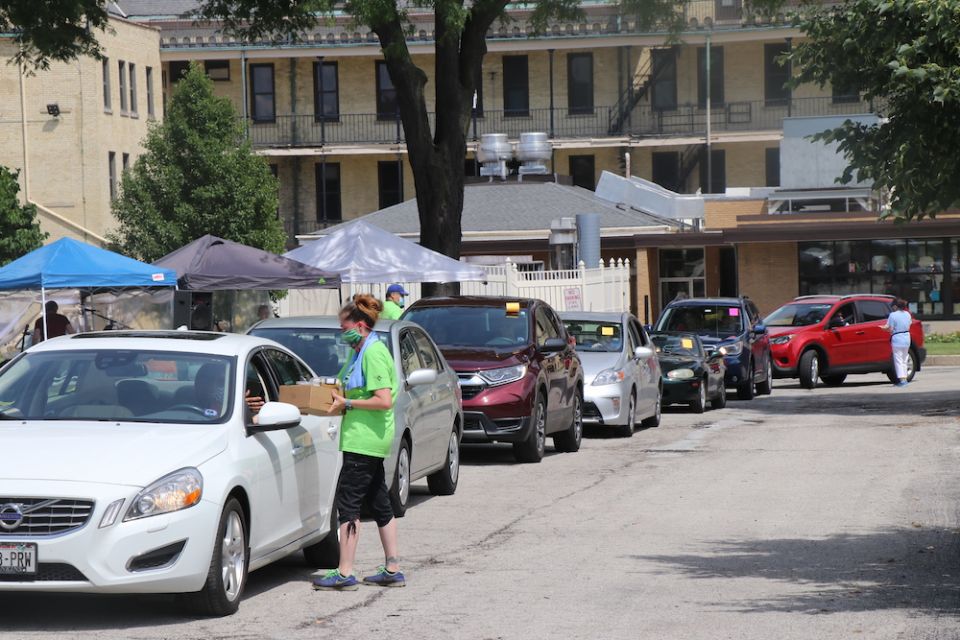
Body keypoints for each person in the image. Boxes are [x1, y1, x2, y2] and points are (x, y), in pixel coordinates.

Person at [313, 294, 403, 591]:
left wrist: (347, 403)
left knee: (348, 504)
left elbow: (383, 400)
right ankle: (392, 568)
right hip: (365, 439)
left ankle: (345, 572)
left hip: (364, 440)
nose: (342, 332)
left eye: (344, 327)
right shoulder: (360, 351)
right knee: (379, 501)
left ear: (361, 325)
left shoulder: (374, 352)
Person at [881, 298, 913, 387]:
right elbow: (909, 324)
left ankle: (902, 380)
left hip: (897, 338)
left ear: (895, 306)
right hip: (907, 337)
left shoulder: (893, 315)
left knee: (898, 360)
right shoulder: (907, 314)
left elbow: (889, 328)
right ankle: (905, 379)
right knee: (904, 358)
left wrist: (883, 328)